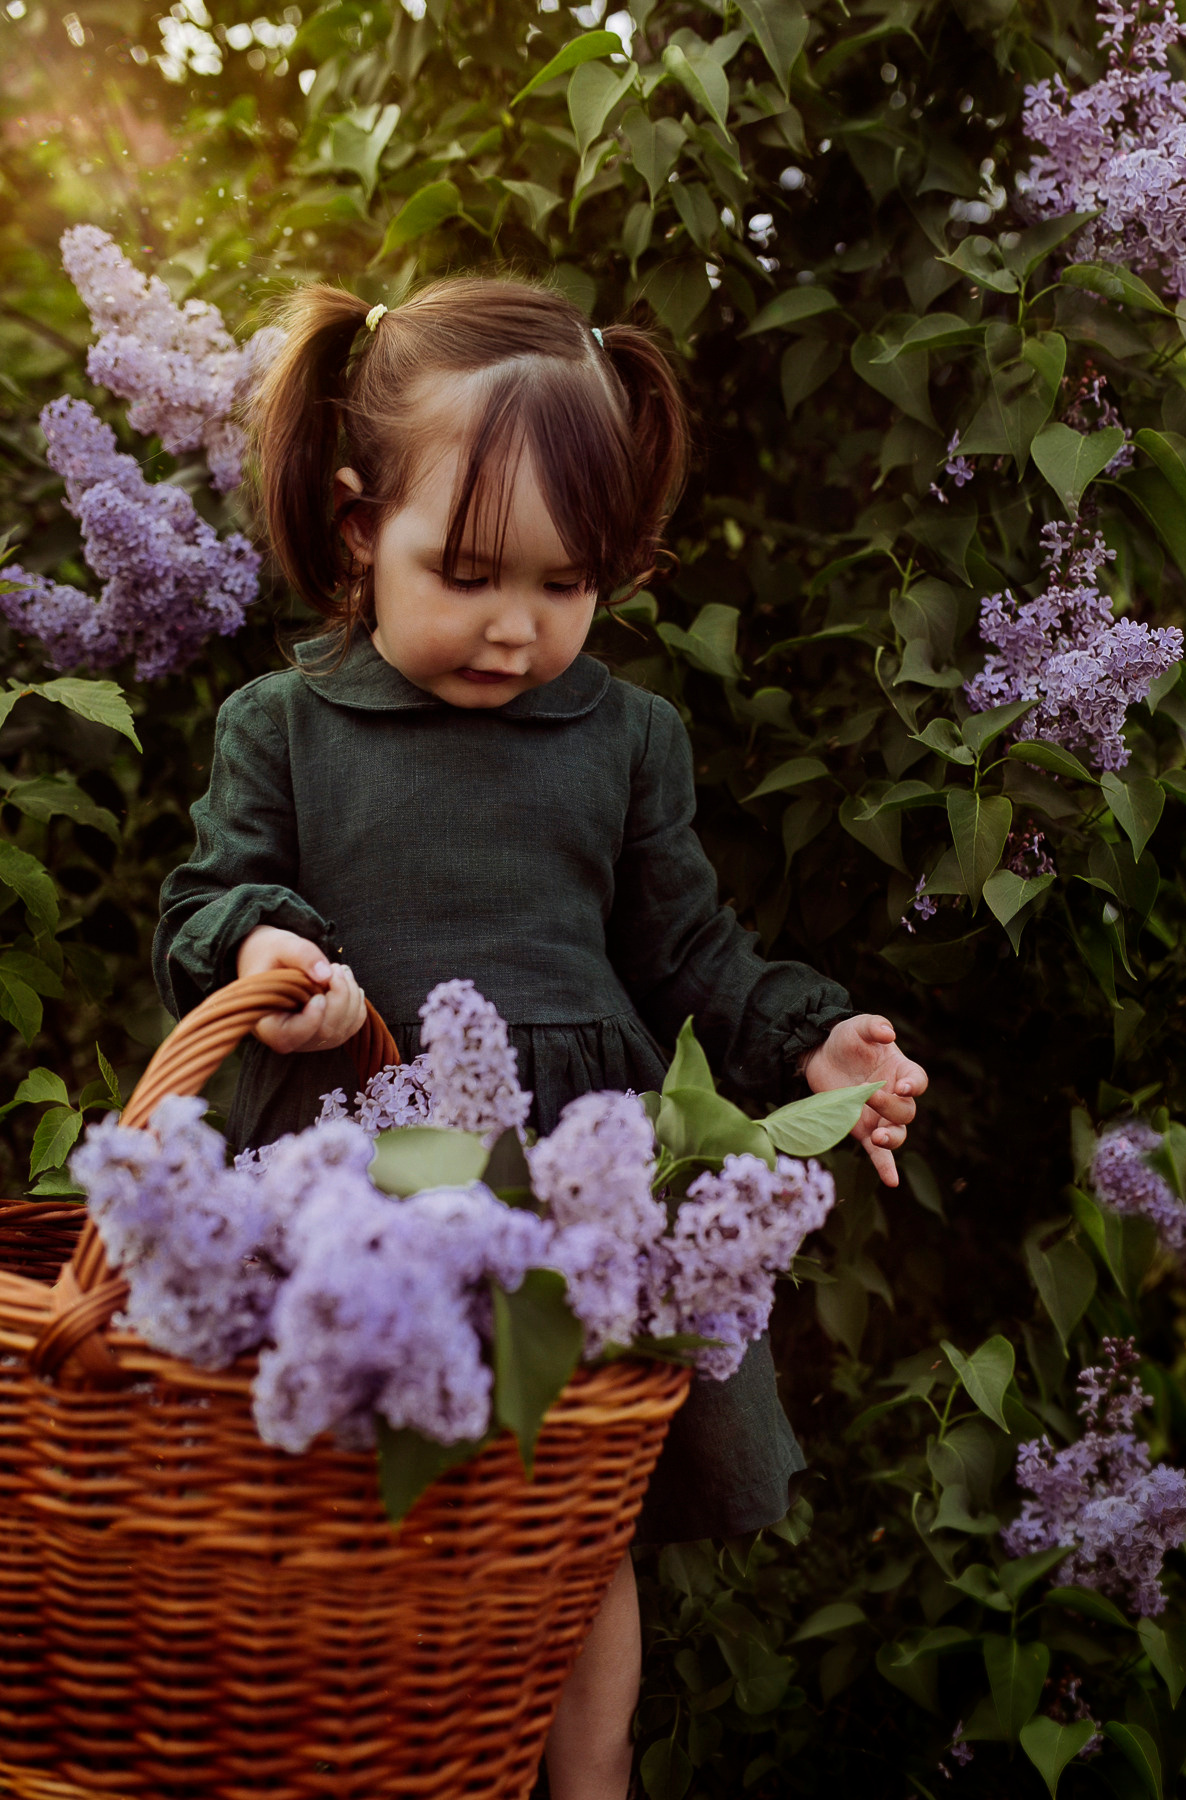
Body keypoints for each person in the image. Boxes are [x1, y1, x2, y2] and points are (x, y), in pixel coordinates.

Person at [153, 277, 928, 1800]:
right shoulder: (284, 726)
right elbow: (209, 895)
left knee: (575, 1534)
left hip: (581, 1196)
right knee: (348, 1515)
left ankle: (590, 1783)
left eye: (567, 585)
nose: (517, 627)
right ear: (361, 521)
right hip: (366, 1166)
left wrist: (814, 1040)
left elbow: (689, 952)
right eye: (470, 570)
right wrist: (268, 949)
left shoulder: (628, 741)